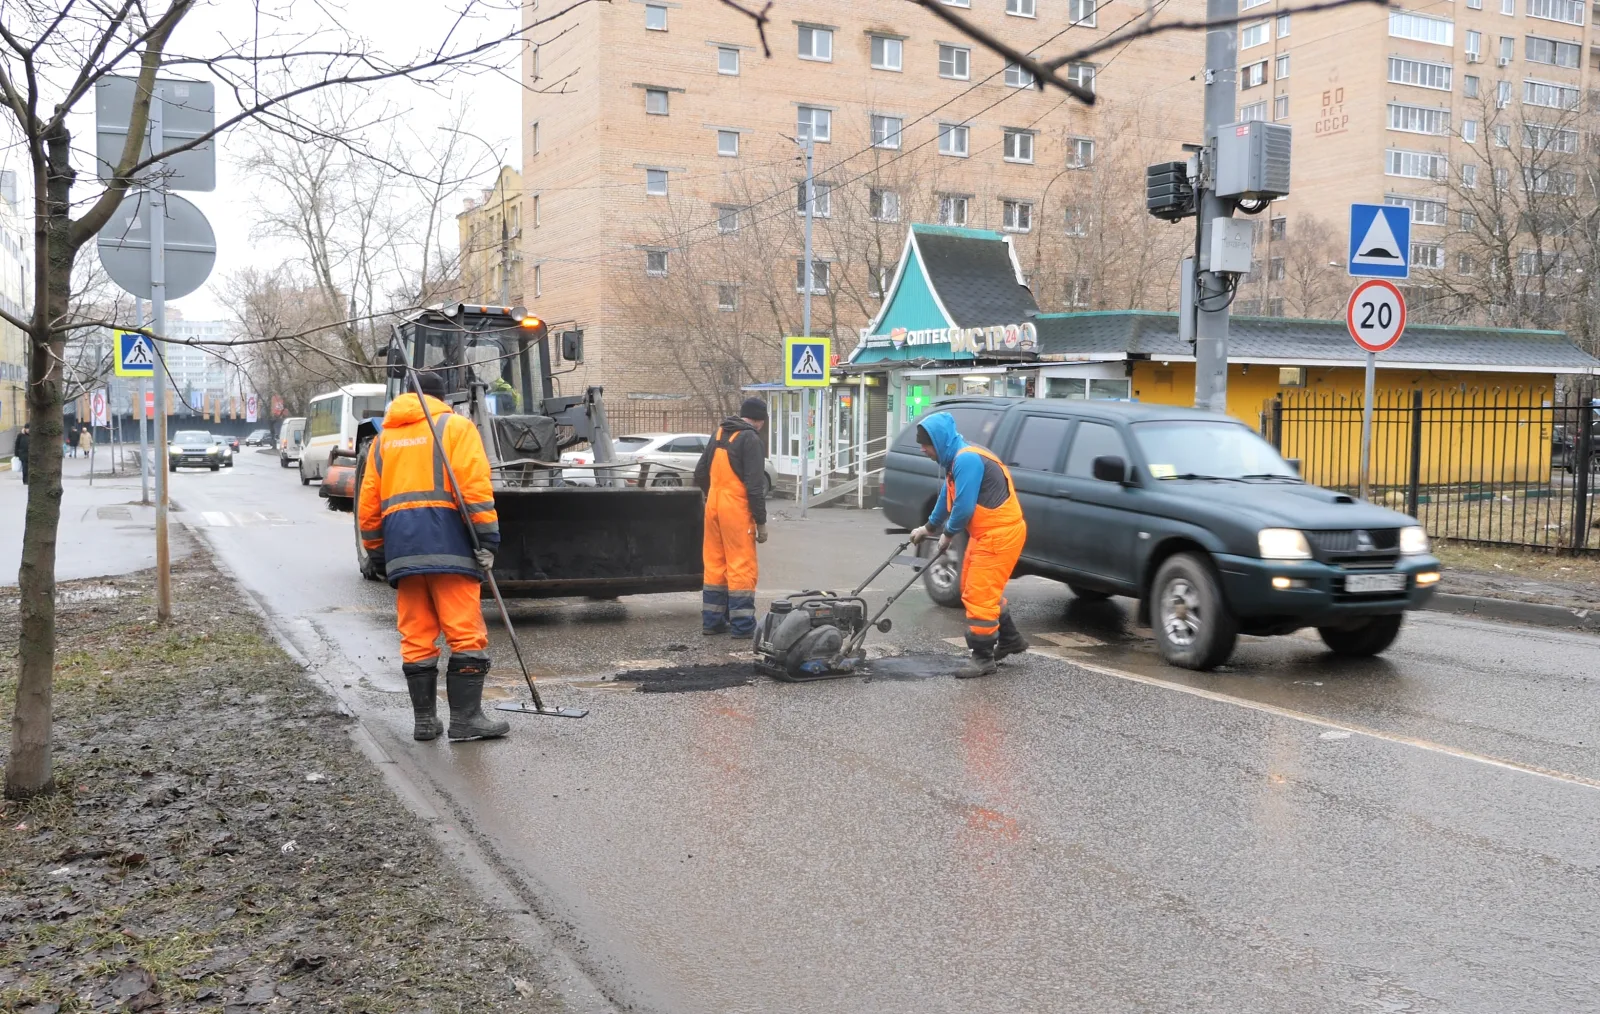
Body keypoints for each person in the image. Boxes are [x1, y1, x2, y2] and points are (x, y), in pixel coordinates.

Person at [357, 371, 508, 743]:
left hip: (403, 553)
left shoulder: (383, 441)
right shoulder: (455, 428)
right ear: (444, 398)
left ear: (407, 396)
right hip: (450, 546)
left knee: (416, 635)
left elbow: (368, 506)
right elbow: (473, 488)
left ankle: (425, 721)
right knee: (465, 632)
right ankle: (466, 720)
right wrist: (487, 540)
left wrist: (378, 554)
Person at [908, 412, 1029, 678]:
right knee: (971, 588)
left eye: (926, 444)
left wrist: (948, 534)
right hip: (986, 534)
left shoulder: (967, 459)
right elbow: (947, 496)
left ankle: (983, 658)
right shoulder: (956, 459)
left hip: (999, 535)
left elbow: (963, 507)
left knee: (979, 595)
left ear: (939, 441)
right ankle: (1010, 639)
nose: (923, 449)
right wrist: (928, 527)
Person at [694, 397, 769, 637]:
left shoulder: (719, 433)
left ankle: (713, 622)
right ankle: (743, 626)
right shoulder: (751, 439)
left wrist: (713, 495)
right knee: (741, 565)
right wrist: (761, 521)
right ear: (760, 420)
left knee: (715, 564)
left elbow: (700, 473)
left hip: (713, 505)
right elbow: (755, 487)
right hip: (735, 509)